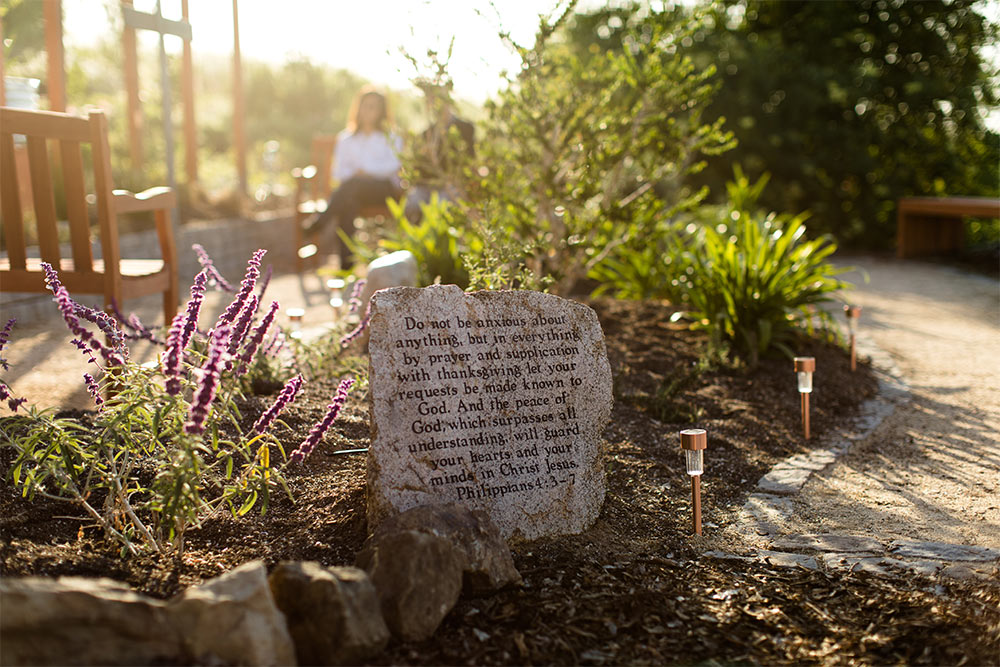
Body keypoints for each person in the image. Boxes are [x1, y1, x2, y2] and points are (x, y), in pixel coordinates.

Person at [303, 86, 402, 267]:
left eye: (374, 107)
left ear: (381, 111)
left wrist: (365, 170)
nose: (369, 111)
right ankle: (346, 266)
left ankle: (321, 221)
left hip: (382, 191)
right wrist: (360, 174)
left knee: (352, 186)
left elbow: (393, 166)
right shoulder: (346, 139)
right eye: (366, 106)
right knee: (348, 202)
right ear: (358, 108)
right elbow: (339, 172)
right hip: (352, 192)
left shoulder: (391, 137)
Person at [403, 81, 475, 223]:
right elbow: (418, 171)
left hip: (453, 184)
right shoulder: (425, 134)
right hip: (428, 185)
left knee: (442, 202)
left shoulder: (465, 128)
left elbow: (469, 160)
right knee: (413, 202)